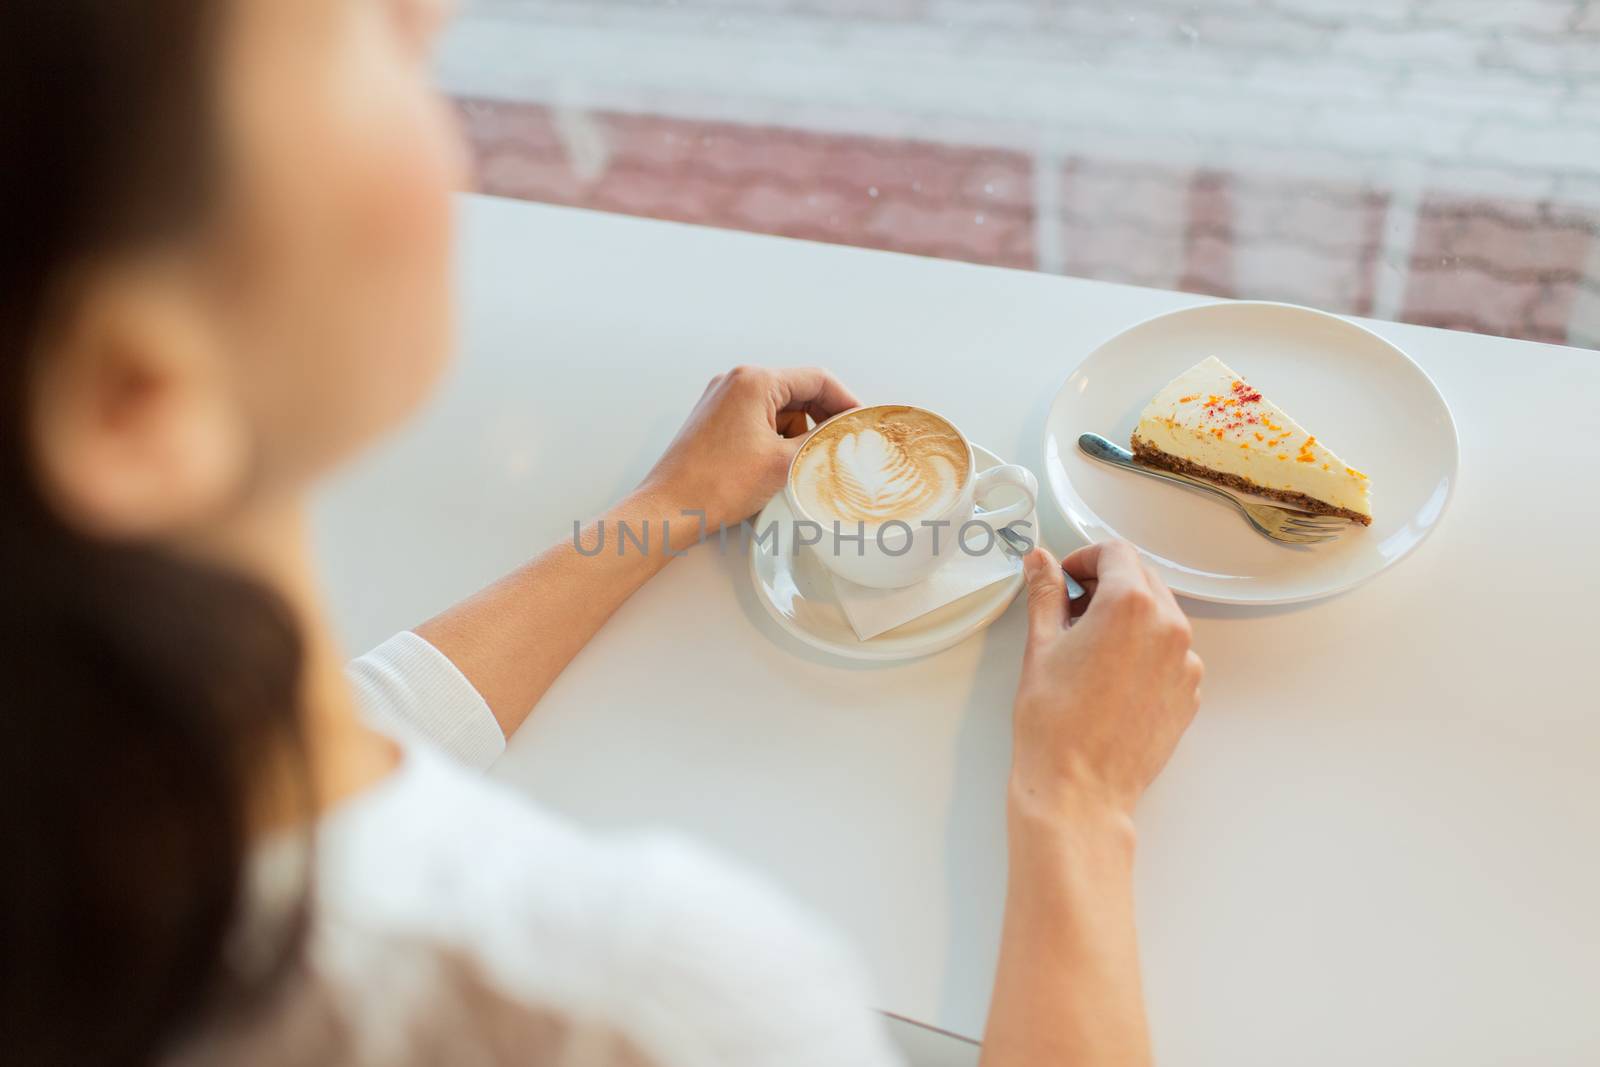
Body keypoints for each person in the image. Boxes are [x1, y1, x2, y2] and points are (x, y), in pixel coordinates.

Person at [0, 2, 1204, 1065]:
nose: (432, 12)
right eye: (357, 33)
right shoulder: (634, 1005)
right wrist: (1078, 801)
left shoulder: (112, 819)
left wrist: (665, 510)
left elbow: (364, 733)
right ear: (133, 399)